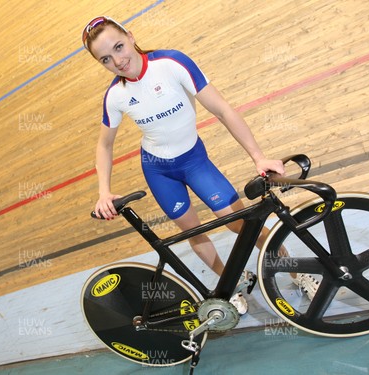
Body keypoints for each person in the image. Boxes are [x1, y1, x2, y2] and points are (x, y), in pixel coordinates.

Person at [83, 16, 319, 313]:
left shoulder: (171, 64)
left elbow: (222, 109)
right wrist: (104, 191)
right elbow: (104, 145)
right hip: (158, 170)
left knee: (244, 226)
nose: (117, 60)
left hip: (194, 160)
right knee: (194, 233)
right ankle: (227, 284)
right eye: (106, 58)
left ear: (130, 37)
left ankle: (298, 274)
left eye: (119, 46)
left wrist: (258, 156)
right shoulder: (116, 96)